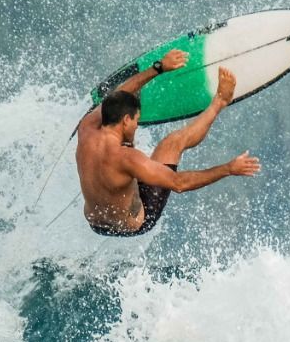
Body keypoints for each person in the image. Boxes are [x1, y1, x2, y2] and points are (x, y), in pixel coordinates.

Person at [75, 49, 261, 236]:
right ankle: (220, 101)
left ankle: (127, 180)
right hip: (133, 223)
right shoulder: (127, 158)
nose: (137, 126)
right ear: (125, 120)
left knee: (128, 167)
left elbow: (116, 96)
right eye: (136, 121)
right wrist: (228, 169)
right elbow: (178, 183)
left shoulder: (86, 128)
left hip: (97, 224)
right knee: (172, 143)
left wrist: (158, 68)